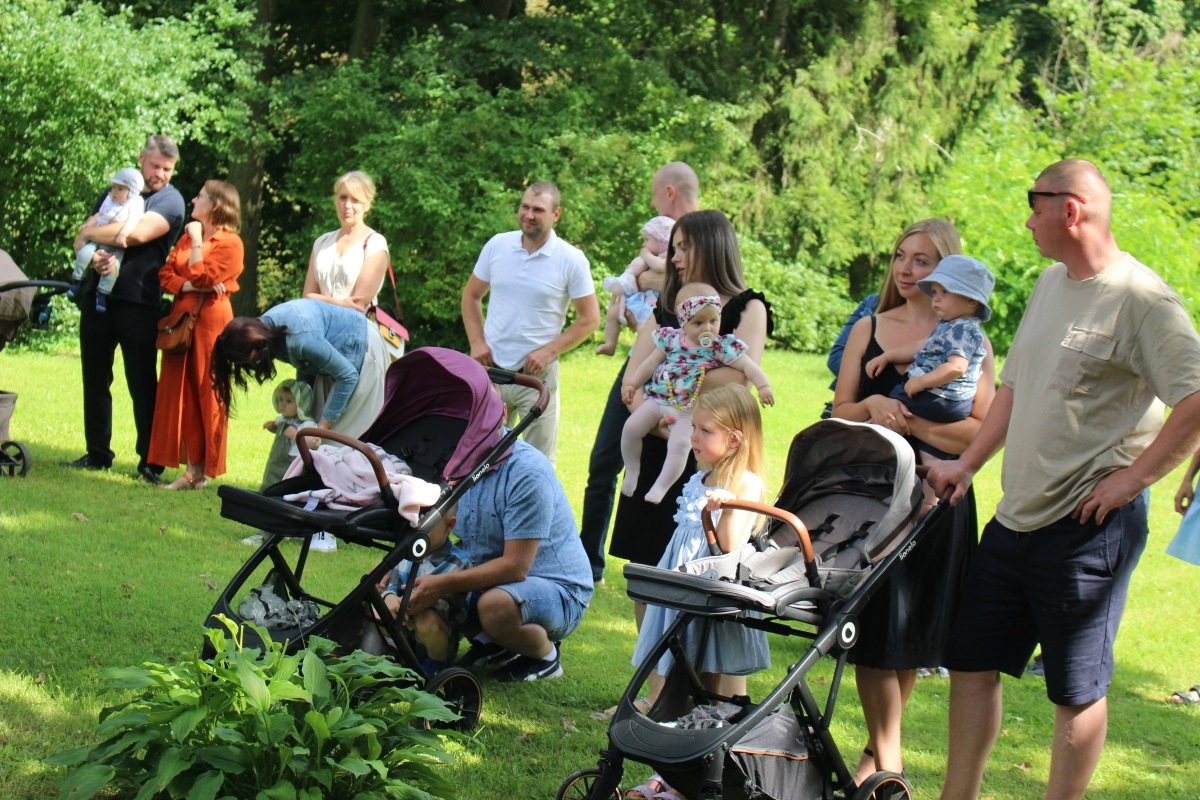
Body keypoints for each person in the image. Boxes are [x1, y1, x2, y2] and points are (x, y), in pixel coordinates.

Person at [927, 160, 1200, 800]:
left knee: (1075, 689)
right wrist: (968, 464)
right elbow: (1016, 388)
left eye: (1034, 204)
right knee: (971, 663)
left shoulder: (1143, 300)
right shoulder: (1052, 283)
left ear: (1070, 210)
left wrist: (1131, 480)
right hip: (1016, 516)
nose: (1027, 219)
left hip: (1088, 528)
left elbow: (1194, 397)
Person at [831, 218, 996, 787]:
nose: (906, 270)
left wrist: (913, 416)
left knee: (909, 636)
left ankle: (873, 768)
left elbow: (979, 433)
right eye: (901, 257)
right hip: (875, 495)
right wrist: (874, 404)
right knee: (873, 635)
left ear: (947, 274)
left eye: (922, 261)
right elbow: (838, 413)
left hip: (940, 501)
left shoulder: (974, 343)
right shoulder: (870, 328)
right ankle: (891, 766)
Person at [611, 210, 773, 628]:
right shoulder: (669, 306)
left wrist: (677, 393)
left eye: (683, 247)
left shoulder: (747, 308)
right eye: (673, 247)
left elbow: (737, 378)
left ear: (711, 247)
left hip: (709, 463)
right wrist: (658, 417)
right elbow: (635, 375)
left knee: (696, 575)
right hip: (656, 444)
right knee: (646, 570)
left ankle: (683, 684)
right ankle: (652, 682)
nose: (674, 256)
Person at [625, 384, 770, 800]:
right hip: (682, 592)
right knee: (674, 675)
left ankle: (690, 780)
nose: (693, 438)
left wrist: (721, 509)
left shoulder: (745, 484)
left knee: (709, 690)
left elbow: (727, 549)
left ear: (735, 439)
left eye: (705, 431)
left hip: (714, 600)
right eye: (695, 428)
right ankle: (671, 773)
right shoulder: (699, 478)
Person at [579, 162, 701, 583]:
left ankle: (669, 570)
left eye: (653, 194)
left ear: (670, 192)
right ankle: (585, 564)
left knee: (668, 470)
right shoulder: (668, 240)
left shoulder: (702, 235)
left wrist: (649, 275)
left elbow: (674, 284)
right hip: (642, 364)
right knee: (604, 463)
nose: (651, 202)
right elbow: (646, 278)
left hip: (682, 379)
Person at [406, 432, 594, 683]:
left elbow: (516, 567)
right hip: (491, 580)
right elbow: (438, 534)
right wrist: (396, 565)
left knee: (494, 606)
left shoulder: (527, 471)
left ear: (501, 412)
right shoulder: (452, 458)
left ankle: (545, 658)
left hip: (557, 590)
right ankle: (495, 644)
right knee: (443, 582)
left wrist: (440, 584)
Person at [63, 135, 185, 483]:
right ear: (140, 159)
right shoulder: (117, 189)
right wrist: (95, 255)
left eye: (167, 168)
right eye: (155, 165)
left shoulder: (170, 200)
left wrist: (94, 233)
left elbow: (133, 236)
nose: (160, 173)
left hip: (140, 301)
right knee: (95, 377)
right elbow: (79, 239)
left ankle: (150, 462)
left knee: (142, 382)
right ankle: (97, 453)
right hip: (98, 298)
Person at [461, 181, 600, 465]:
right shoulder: (498, 245)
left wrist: (549, 351)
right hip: (489, 372)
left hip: (536, 378)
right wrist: (476, 342)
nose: (529, 214)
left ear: (555, 215)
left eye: (538, 209)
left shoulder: (571, 260)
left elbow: (590, 319)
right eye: (525, 207)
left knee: (537, 465)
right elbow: (471, 296)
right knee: (475, 459)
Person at [620, 283, 774, 503]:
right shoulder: (671, 340)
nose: (708, 329)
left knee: (681, 444)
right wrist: (632, 384)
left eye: (714, 321)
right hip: (658, 400)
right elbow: (649, 363)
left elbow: (748, 367)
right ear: (684, 322)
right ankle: (633, 470)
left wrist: (763, 386)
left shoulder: (719, 348)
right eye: (698, 323)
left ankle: (661, 487)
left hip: (688, 410)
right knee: (631, 427)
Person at [148, 180, 244, 491]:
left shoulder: (230, 243)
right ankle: (191, 470)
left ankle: (202, 470)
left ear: (215, 205)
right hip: (182, 319)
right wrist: (189, 285)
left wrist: (196, 243)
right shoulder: (190, 239)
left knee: (208, 392)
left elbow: (204, 274)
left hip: (211, 323)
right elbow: (166, 275)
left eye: (200, 196)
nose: (193, 199)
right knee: (181, 393)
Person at [865, 255, 993, 425]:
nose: (936, 298)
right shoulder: (949, 325)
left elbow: (957, 367)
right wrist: (888, 356)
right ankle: (930, 451)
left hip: (939, 396)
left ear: (971, 300)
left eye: (945, 291)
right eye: (934, 292)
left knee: (895, 404)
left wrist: (921, 382)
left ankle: (874, 428)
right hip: (941, 399)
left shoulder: (964, 330)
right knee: (927, 448)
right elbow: (921, 346)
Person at [380, 507, 470, 676]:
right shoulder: (406, 554)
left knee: (426, 619)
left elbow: (459, 610)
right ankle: (389, 656)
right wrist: (390, 596)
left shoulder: (459, 563)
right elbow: (393, 584)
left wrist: (419, 602)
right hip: (404, 629)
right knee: (380, 608)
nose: (417, 527)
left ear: (448, 525)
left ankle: (435, 667)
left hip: (437, 638)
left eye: (425, 522)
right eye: (413, 520)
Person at [302, 170, 389, 312]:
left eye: (355, 199)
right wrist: (337, 302)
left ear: (366, 205)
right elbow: (307, 296)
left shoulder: (375, 244)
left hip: (359, 329)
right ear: (336, 201)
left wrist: (321, 301)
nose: (347, 205)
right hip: (320, 327)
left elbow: (357, 305)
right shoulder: (322, 243)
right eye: (343, 198)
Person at [67, 167, 146, 312]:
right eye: (114, 187)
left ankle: (102, 294)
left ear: (132, 192)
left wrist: (122, 235)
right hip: (97, 238)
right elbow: (99, 214)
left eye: (120, 189)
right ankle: (77, 280)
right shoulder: (109, 199)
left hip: (115, 245)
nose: (114, 191)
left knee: (112, 267)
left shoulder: (135, 204)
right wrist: (88, 226)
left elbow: (132, 222)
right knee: (84, 253)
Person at [595, 215, 674, 356]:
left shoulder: (667, 256)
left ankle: (642, 353)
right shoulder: (650, 257)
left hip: (655, 306)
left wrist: (646, 255)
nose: (644, 244)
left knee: (645, 327)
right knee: (613, 311)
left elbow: (661, 267)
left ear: (662, 240)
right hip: (642, 299)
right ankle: (610, 344)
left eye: (647, 240)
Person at [259, 378, 316, 490]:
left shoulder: (307, 424)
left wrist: (296, 435)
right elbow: (279, 429)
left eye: (288, 401)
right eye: (280, 400)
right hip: (276, 458)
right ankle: (267, 493)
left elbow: (314, 443)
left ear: (301, 403)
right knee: (270, 477)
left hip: (292, 461)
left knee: (287, 483)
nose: (282, 405)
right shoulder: (282, 419)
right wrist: (272, 427)